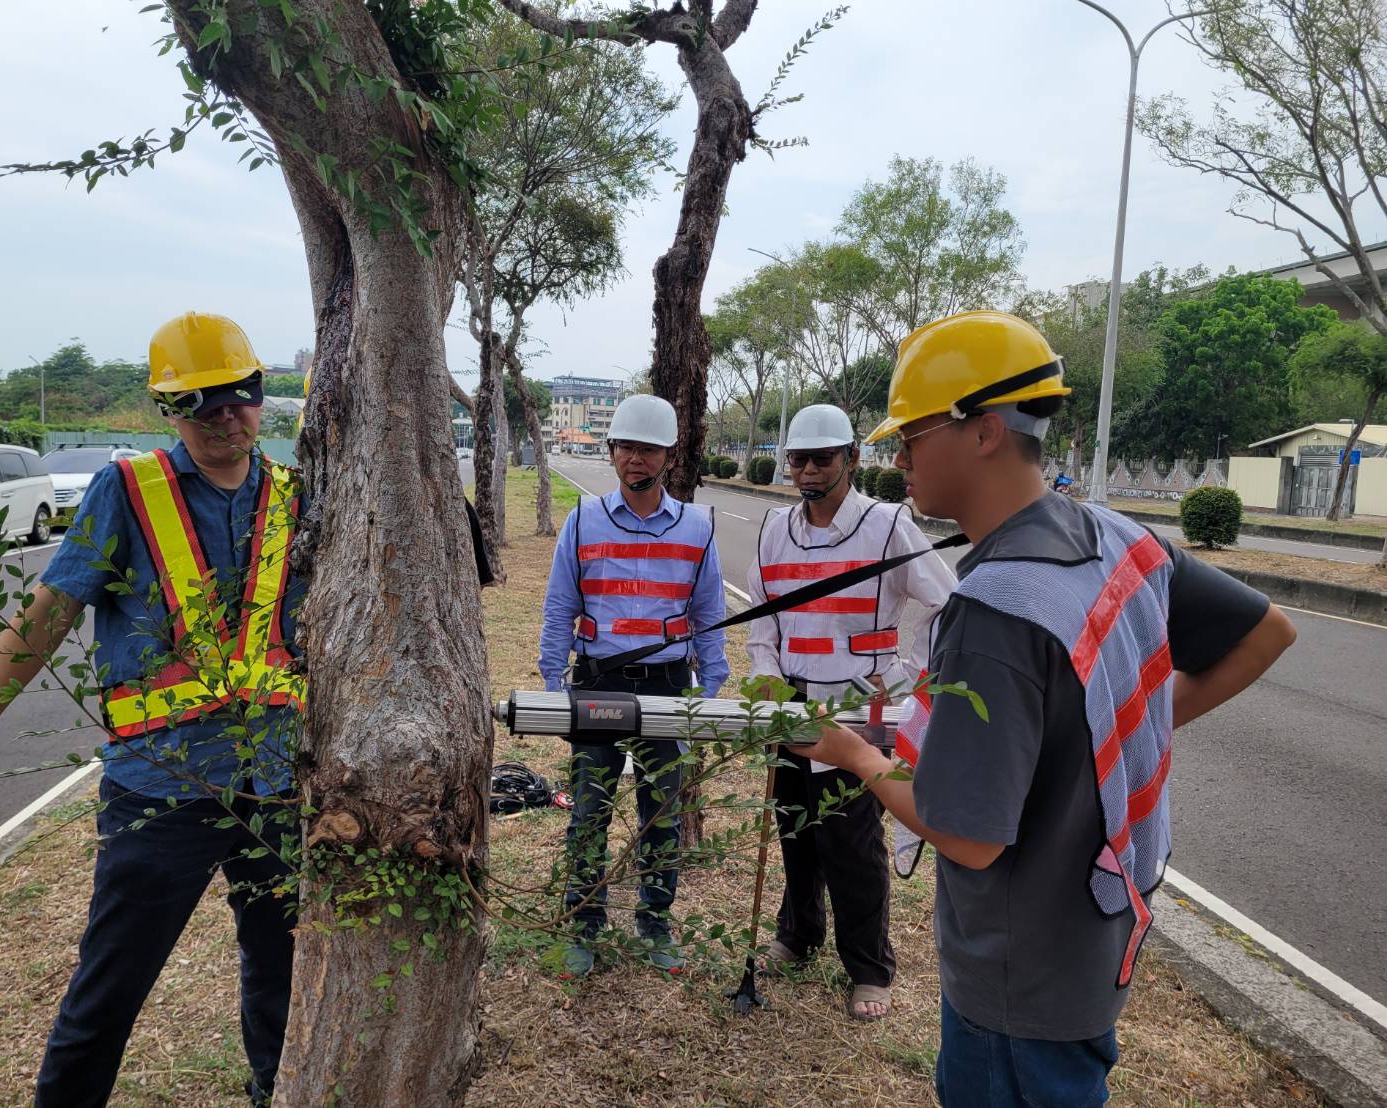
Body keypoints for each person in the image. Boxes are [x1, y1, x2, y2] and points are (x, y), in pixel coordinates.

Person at [799, 310, 1297, 1106]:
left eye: (913, 434)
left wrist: (855, 756)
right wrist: (1119, 731)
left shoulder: (995, 611)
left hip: (1017, 977)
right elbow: (1264, 633)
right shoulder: (1120, 537)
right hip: (1094, 934)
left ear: (984, 430)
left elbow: (967, 838)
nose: (899, 459)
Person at [0, 311, 308, 1107]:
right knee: (110, 990)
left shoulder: (293, 498)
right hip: (160, 788)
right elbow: (49, 613)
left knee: (283, 980)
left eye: (235, 397)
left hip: (272, 785)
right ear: (167, 409)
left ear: (260, 396)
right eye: (195, 402)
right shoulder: (129, 490)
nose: (219, 417)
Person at [746, 403, 956, 1022]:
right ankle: (798, 932)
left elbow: (947, 602)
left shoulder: (888, 525)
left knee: (853, 839)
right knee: (795, 828)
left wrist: (905, 675)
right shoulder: (771, 529)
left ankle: (868, 965)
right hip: (790, 704)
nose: (809, 471)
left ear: (851, 460)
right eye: (799, 459)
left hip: (859, 708)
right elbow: (761, 619)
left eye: (822, 458)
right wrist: (763, 675)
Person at [538, 393, 729, 977]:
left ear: (667, 456)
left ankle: (655, 925)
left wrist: (709, 690)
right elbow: (559, 607)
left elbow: (709, 614)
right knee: (590, 809)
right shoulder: (582, 520)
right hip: (598, 682)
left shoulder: (697, 528)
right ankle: (586, 923)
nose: (634, 459)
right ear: (613, 452)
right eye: (625, 448)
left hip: (668, 687)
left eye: (647, 449)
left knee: (661, 811)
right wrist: (553, 684)